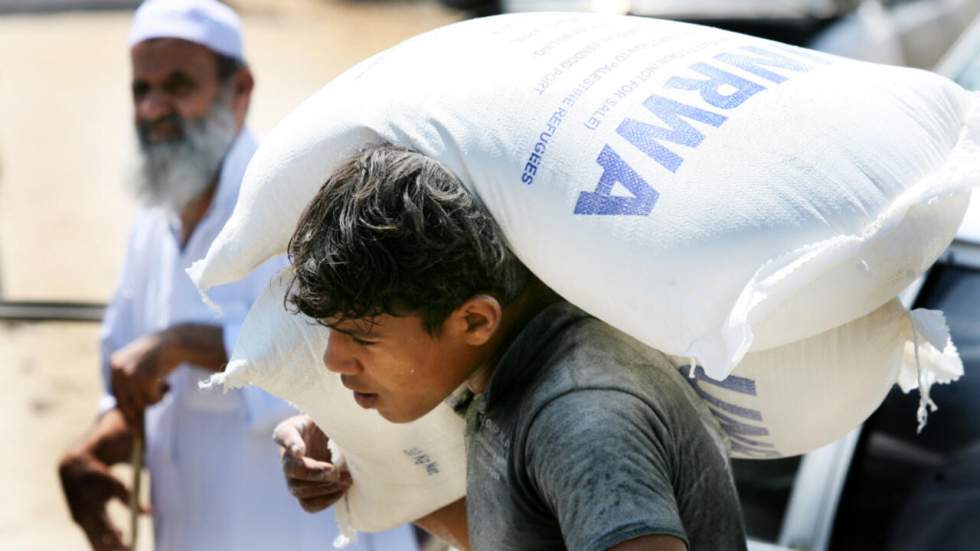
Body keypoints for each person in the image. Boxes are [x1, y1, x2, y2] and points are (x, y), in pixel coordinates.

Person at [57, 2, 420, 550]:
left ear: (240, 89)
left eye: (178, 86)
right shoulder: (153, 221)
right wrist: (85, 454)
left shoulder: (299, 203)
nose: (154, 108)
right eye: (141, 89)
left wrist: (181, 344)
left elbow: (336, 359)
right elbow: (135, 378)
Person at [274, 143, 748, 550]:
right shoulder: (505, 375)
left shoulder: (580, 417)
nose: (334, 359)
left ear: (475, 320)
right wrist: (358, 461)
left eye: (362, 337)